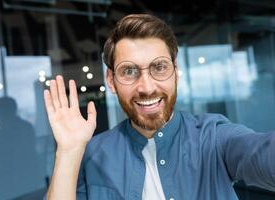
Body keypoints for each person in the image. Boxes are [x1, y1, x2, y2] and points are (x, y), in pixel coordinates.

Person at [44, 14, 275, 200]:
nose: (146, 87)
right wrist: (68, 152)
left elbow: (262, 155)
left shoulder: (213, 137)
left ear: (176, 72)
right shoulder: (92, 155)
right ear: (112, 81)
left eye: (159, 67)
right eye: (129, 71)